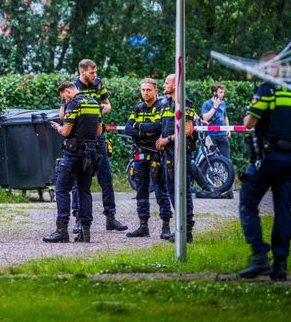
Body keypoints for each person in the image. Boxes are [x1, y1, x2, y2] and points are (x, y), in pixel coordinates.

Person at [238, 51, 291, 281]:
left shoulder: (267, 90)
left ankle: (259, 255)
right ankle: (280, 265)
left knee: (247, 202)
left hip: (268, 158)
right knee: (283, 211)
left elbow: (250, 122)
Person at [66, 59, 127, 234]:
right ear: (82, 72)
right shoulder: (73, 87)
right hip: (81, 140)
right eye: (92, 73)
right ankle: (78, 219)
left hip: (99, 137)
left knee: (106, 178)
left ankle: (111, 218)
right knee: (79, 181)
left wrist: (105, 108)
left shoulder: (98, 84)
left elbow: (108, 104)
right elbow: (65, 111)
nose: (95, 75)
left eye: (95, 72)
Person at [44, 82, 102, 244]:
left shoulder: (74, 104)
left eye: (64, 97)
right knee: (84, 191)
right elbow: (99, 131)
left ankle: (61, 230)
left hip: (73, 153)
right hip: (90, 153)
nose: (65, 100)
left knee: (62, 189)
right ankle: (86, 231)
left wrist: (57, 127)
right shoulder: (94, 103)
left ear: (67, 91)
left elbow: (66, 131)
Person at [124, 78, 173, 239]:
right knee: (141, 192)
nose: (145, 92)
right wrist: (144, 131)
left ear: (156, 91)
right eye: (143, 90)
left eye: (149, 90)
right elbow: (127, 128)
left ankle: (165, 227)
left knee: (161, 191)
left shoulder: (162, 107)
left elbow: (157, 127)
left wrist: (138, 127)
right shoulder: (138, 108)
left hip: (156, 156)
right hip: (139, 156)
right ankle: (143, 226)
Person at [155, 74, 196, 243]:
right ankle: (180, 228)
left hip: (180, 154)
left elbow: (187, 131)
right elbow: (163, 126)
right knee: (172, 192)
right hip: (168, 155)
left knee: (182, 192)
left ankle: (186, 231)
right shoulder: (166, 104)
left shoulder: (184, 104)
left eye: (167, 82)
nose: (164, 85)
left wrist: (168, 139)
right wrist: (160, 138)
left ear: (175, 85)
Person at [201, 84, 231, 158]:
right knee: (212, 160)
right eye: (220, 92)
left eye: (223, 92)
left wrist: (228, 129)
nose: (223, 94)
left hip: (223, 135)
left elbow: (225, 117)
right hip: (211, 136)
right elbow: (205, 118)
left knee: (226, 159)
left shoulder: (223, 103)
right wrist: (214, 107)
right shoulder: (206, 104)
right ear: (214, 93)